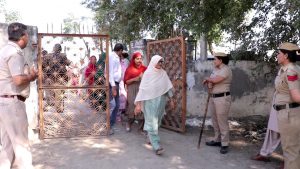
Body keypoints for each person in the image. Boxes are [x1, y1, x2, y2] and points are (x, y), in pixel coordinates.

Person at [0, 22, 38, 169]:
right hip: (13, 104)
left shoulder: (3, 51)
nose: (28, 38)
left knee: (7, 145)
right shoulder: (14, 53)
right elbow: (18, 80)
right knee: (21, 146)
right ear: (23, 36)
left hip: (4, 102)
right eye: (27, 35)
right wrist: (32, 77)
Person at [134, 55, 174, 155]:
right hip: (149, 103)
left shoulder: (163, 73)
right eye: (159, 62)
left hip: (161, 102)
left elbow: (167, 87)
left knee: (157, 121)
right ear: (153, 62)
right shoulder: (147, 74)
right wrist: (138, 104)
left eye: (161, 62)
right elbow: (142, 89)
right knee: (151, 122)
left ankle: (150, 136)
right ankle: (156, 146)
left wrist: (171, 100)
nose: (160, 64)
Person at [272, 42, 300, 169]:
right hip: (285, 113)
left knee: (291, 151)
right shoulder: (284, 70)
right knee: (290, 149)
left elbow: (296, 97)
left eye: (279, 53)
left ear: (286, 55)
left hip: (290, 114)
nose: (277, 55)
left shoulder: (291, 71)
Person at [202, 52, 232, 154]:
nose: (214, 61)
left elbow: (216, 80)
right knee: (215, 120)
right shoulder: (215, 70)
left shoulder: (226, 70)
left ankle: (225, 143)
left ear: (221, 60)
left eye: (215, 59)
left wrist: (208, 79)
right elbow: (212, 81)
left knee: (222, 121)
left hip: (222, 98)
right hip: (213, 97)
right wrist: (208, 83)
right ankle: (217, 139)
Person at [251, 96, 281, 162]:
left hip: (292, 104)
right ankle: (264, 153)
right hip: (279, 98)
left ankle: (288, 162)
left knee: (291, 134)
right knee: (273, 126)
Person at [124, 51, 147, 132]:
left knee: (141, 106)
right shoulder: (129, 69)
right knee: (132, 106)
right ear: (133, 60)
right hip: (132, 89)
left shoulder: (144, 68)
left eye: (140, 59)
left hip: (142, 88)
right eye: (137, 59)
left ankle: (140, 128)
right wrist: (136, 78)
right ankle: (129, 123)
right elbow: (126, 82)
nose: (139, 60)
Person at [50, 43, 72, 113]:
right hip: (61, 77)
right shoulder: (63, 55)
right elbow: (69, 63)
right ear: (60, 49)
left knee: (57, 92)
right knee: (60, 92)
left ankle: (59, 108)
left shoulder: (50, 56)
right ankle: (59, 108)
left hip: (53, 77)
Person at [109, 43, 124, 135]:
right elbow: (110, 72)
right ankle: (109, 125)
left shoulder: (116, 57)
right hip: (112, 84)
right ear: (120, 50)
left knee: (117, 105)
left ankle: (111, 123)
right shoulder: (111, 56)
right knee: (113, 105)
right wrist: (113, 86)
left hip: (116, 83)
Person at [118, 52, 129, 121]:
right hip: (116, 82)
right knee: (118, 98)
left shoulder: (125, 62)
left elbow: (126, 71)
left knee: (124, 97)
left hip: (124, 82)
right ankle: (117, 114)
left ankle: (121, 112)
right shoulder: (115, 62)